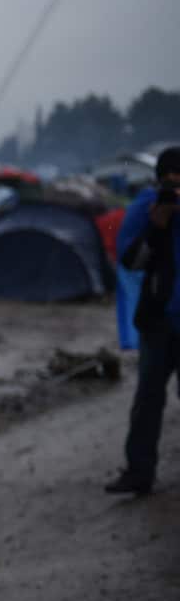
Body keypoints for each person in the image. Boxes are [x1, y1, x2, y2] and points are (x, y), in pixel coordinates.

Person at [106, 146, 180, 495]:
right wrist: (156, 225)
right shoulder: (145, 207)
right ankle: (139, 470)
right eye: (170, 180)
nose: (174, 187)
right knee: (149, 397)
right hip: (158, 319)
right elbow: (131, 261)